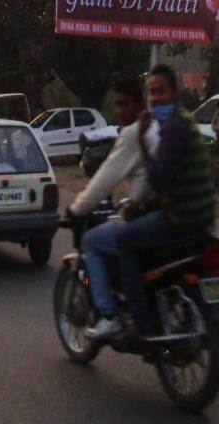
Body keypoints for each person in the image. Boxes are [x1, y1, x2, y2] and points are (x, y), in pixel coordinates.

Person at [114, 64, 214, 337]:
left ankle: (140, 321)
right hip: (204, 219)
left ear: (175, 92)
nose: (156, 98)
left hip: (181, 221)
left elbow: (159, 181)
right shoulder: (185, 121)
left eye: (161, 91)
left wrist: (144, 145)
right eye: (151, 93)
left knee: (124, 240)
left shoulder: (173, 129)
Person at [65, 78, 160, 339]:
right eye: (117, 105)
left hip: (152, 215)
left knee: (92, 241)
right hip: (162, 210)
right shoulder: (156, 127)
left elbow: (105, 178)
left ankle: (108, 315)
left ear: (139, 103)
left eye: (125, 104)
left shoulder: (132, 133)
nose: (120, 111)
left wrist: (76, 208)